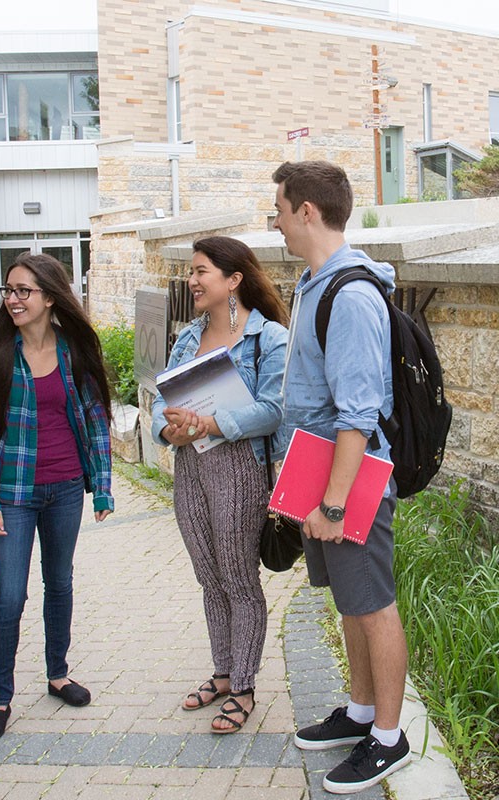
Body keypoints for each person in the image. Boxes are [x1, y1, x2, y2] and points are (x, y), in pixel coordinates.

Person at [271, 160, 410, 794]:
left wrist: (332, 504)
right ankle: (359, 712)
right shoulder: (313, 283)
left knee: (374, 605)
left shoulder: (349, 296)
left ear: (307, 211)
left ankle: (389, 736)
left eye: (280, 209)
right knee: (347, 602)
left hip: (347, 481)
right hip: (318, 472)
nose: (274, 221)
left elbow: (357, 413)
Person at [0, 252, 114, 741]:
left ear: (50, 296)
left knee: (60, 584)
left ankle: (57, 673)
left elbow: (95, 418)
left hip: (66, 487)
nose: (12, 299)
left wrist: (102, 485)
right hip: (13, 494)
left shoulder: (73, 351)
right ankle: (0, 697)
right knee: (9, 596)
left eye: (23, 290)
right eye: (8, 290)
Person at [149, 236, 289, 734]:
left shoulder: (267, 338)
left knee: (237, 578)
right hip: (191, 469)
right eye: (192, 271)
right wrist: (168, 429)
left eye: (201, 271)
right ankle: (224, 673)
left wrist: (211, 424)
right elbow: (157, 403)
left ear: (233, 280)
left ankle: (245, 686)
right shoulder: (188, 338)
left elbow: (275, 411)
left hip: (239, 470)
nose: (192, 280)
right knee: (210, 578)